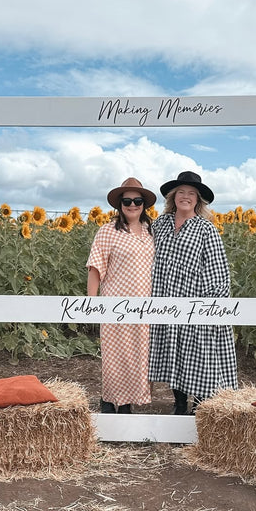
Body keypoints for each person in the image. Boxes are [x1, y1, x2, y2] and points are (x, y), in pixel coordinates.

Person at [149, 171, 238, 414]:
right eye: (181, 192)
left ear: (198, 200)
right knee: (174, 352)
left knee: (199, 353)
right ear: (173, 197)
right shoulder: (160, 225)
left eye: (191, 193)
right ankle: (179, 403)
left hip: (196, 300)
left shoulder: (206, 229)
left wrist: (210, 305)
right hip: (165, 300)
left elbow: (217, 268)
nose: (185, 197)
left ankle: (200, 405)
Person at [87, 177, 156, 413]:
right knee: (115, 354)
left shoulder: (151, 231)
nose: (132, 205)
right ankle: (109, 400)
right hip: (114, 304)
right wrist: (91, 303)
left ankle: (127, 403)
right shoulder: (107, 231)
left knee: (139, 355)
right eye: (127, 201)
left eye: (137, 200)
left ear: (144, 204)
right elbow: (95, 267)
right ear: (120, 204)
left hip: (145, 305)